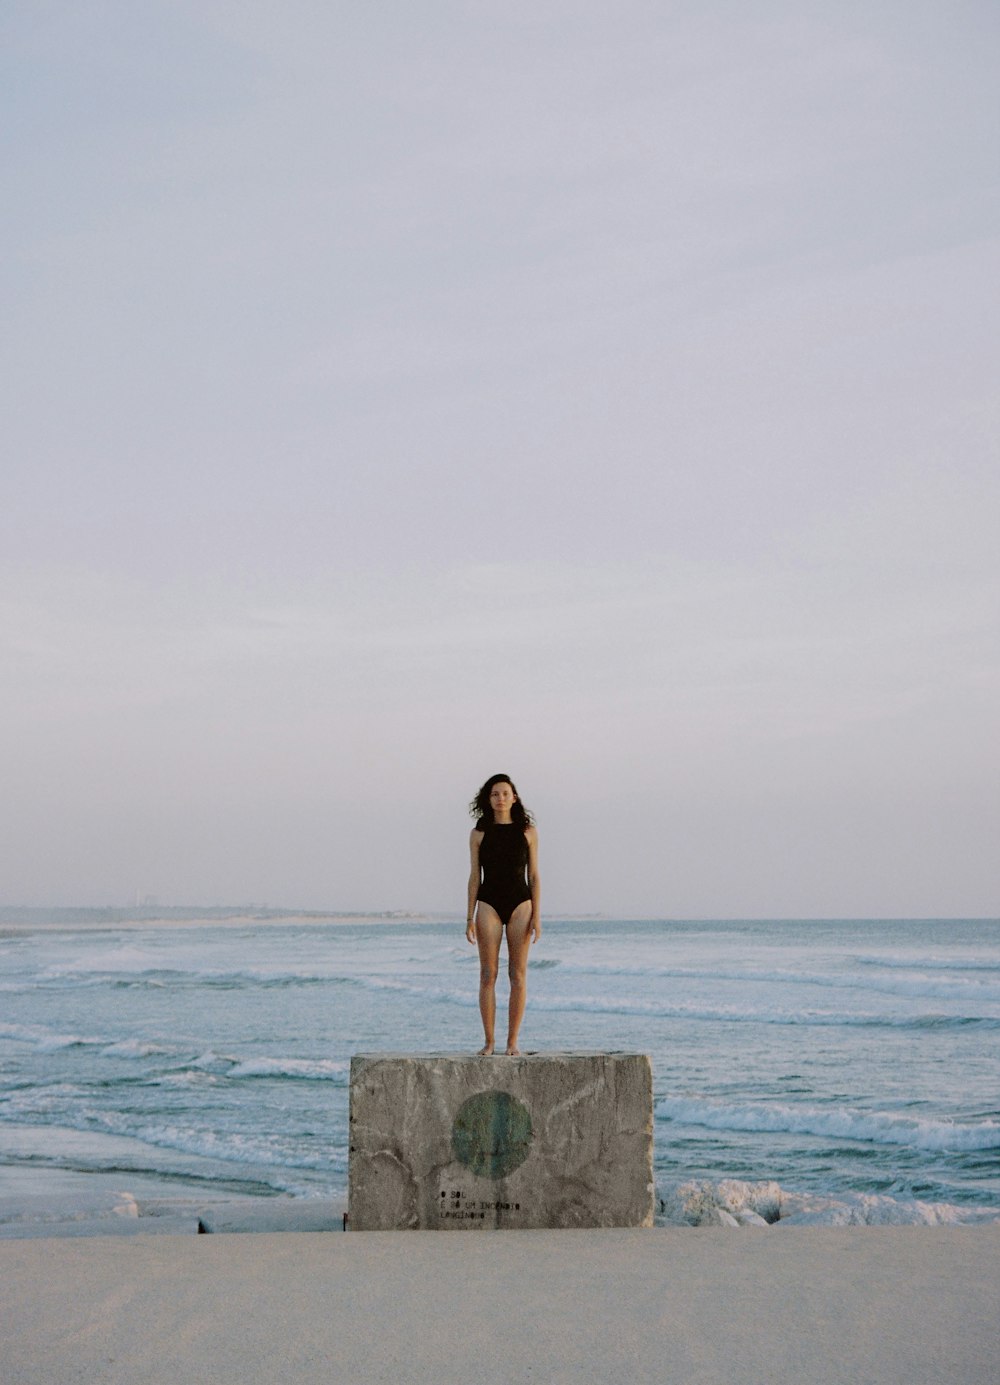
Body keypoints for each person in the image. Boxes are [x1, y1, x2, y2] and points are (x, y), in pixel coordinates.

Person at [466, 774, 541, 1056]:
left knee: (517, 975)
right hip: (488, 904)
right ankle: (489, 1042)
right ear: (489, 799)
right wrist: (468, 916)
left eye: (505, 793)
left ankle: (512, 1042)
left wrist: (538, 916)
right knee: (488, 973)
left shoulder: (528, 832)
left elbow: (533, 875)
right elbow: (474, 876)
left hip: (521, 903)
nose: (500, 798)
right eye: (495, 794)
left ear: (514, 797)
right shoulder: (479, 834)